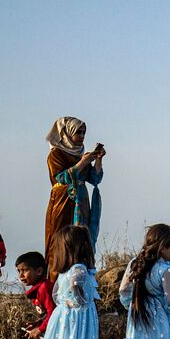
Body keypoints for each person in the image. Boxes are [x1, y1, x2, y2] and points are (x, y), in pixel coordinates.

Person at [44, 117, 104, 277]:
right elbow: (61, 178)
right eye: (78, 132)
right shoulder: (56, 154)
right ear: (67, 132)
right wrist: (83, 162)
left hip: (81, 202)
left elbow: (95, 179)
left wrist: (98, 160)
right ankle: (55, 281)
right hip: (63, 201)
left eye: (84, 132)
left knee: (81, 238)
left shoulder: (80, 155)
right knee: (61, 238)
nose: (82, 135)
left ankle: (80, 275)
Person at [16, 251, 55, 339]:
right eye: (19, 271)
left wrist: (40, 329)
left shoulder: (44, 288)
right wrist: (36, 324)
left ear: (39, 271)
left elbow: (53, 313)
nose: (21, 275)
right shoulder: (36, 291)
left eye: (25, 270)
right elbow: (46, 315)